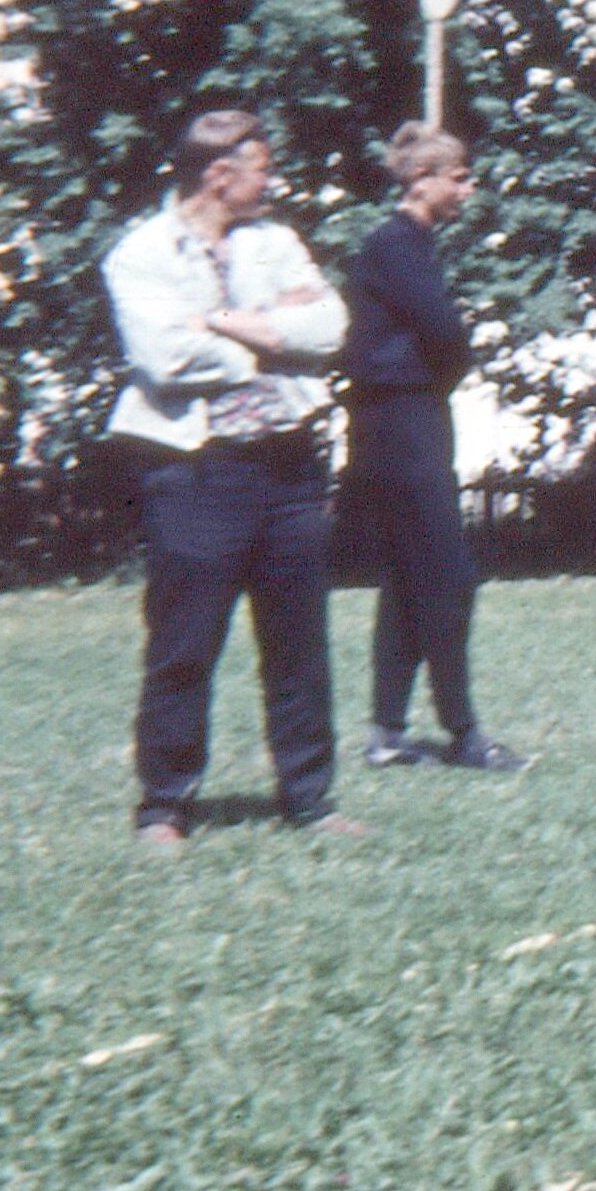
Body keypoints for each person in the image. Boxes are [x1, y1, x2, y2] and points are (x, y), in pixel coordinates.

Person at [103, 109, 359, 846]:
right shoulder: (140, 255)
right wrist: (268, 334)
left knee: (299, 643)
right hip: (195, 472)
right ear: (220, 175)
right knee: (184, 643)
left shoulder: (275, 242)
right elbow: (165, 359)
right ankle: (164, 807)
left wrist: (215, 319)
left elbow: (330, 327)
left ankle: (309, 800)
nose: (273, 184)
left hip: (289, 464)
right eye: (263, 170)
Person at [344, 123, 526, 774]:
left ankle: (388, 735)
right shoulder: (395, 245)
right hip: (402, 423)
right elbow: (446, 332)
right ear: (423, 181)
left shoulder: (406, 245)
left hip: (403, 419)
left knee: (407, 578)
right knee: (449, 578)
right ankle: (464, 734)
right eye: (459, 177)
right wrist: (440, 378)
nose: (469, 189)